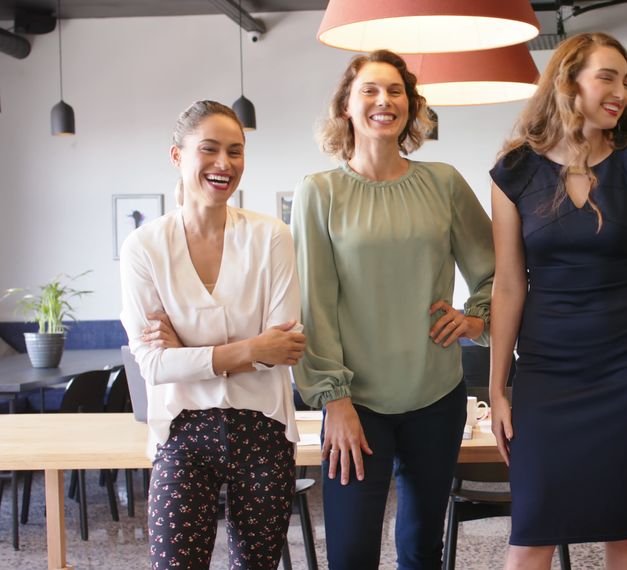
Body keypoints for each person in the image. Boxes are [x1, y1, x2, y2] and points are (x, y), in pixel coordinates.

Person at [291, 50, 495, 569]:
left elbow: (495, 271)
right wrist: (333, 401)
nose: (385, 101)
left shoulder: (443, 183)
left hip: (436, 394)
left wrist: (475, 319)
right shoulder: (320, 192)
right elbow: (314, 304)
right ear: (346, 107)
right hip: (355, 404)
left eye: (396, 91)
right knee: (352, 552)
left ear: (411, 105)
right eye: (370, 90)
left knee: (422, 549)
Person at [488, 32, 627, 570]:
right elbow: (508, 285)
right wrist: (497, 387)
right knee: (531, 528)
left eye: (626, 81)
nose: (620, 91)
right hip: (546, 371)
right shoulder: (514, 172)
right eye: (607, 77)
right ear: (568, 81)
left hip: (626, 369)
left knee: (626, 527)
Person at [119, 100, 306, 570]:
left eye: (236, 151)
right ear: (178, 156)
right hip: (180, 432)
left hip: (264, 428)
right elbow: (154, 366)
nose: (225, 164)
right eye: (210, 149)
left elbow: (283, 348)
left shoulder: (273, 236)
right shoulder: (145, 246)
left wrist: (189, 351)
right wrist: (249, 349)